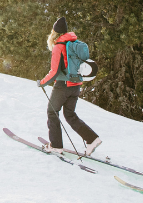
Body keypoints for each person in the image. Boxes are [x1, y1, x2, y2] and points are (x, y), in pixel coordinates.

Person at [37, 17, 102, 156]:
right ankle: (92, 139)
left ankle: (56, 146)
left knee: (52, 112)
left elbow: (54, 72)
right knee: (70, 114)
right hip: (76, 85)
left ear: (54, 33)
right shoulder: (74, 44)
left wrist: (42, 82)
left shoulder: (58, 47)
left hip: (62, 86)